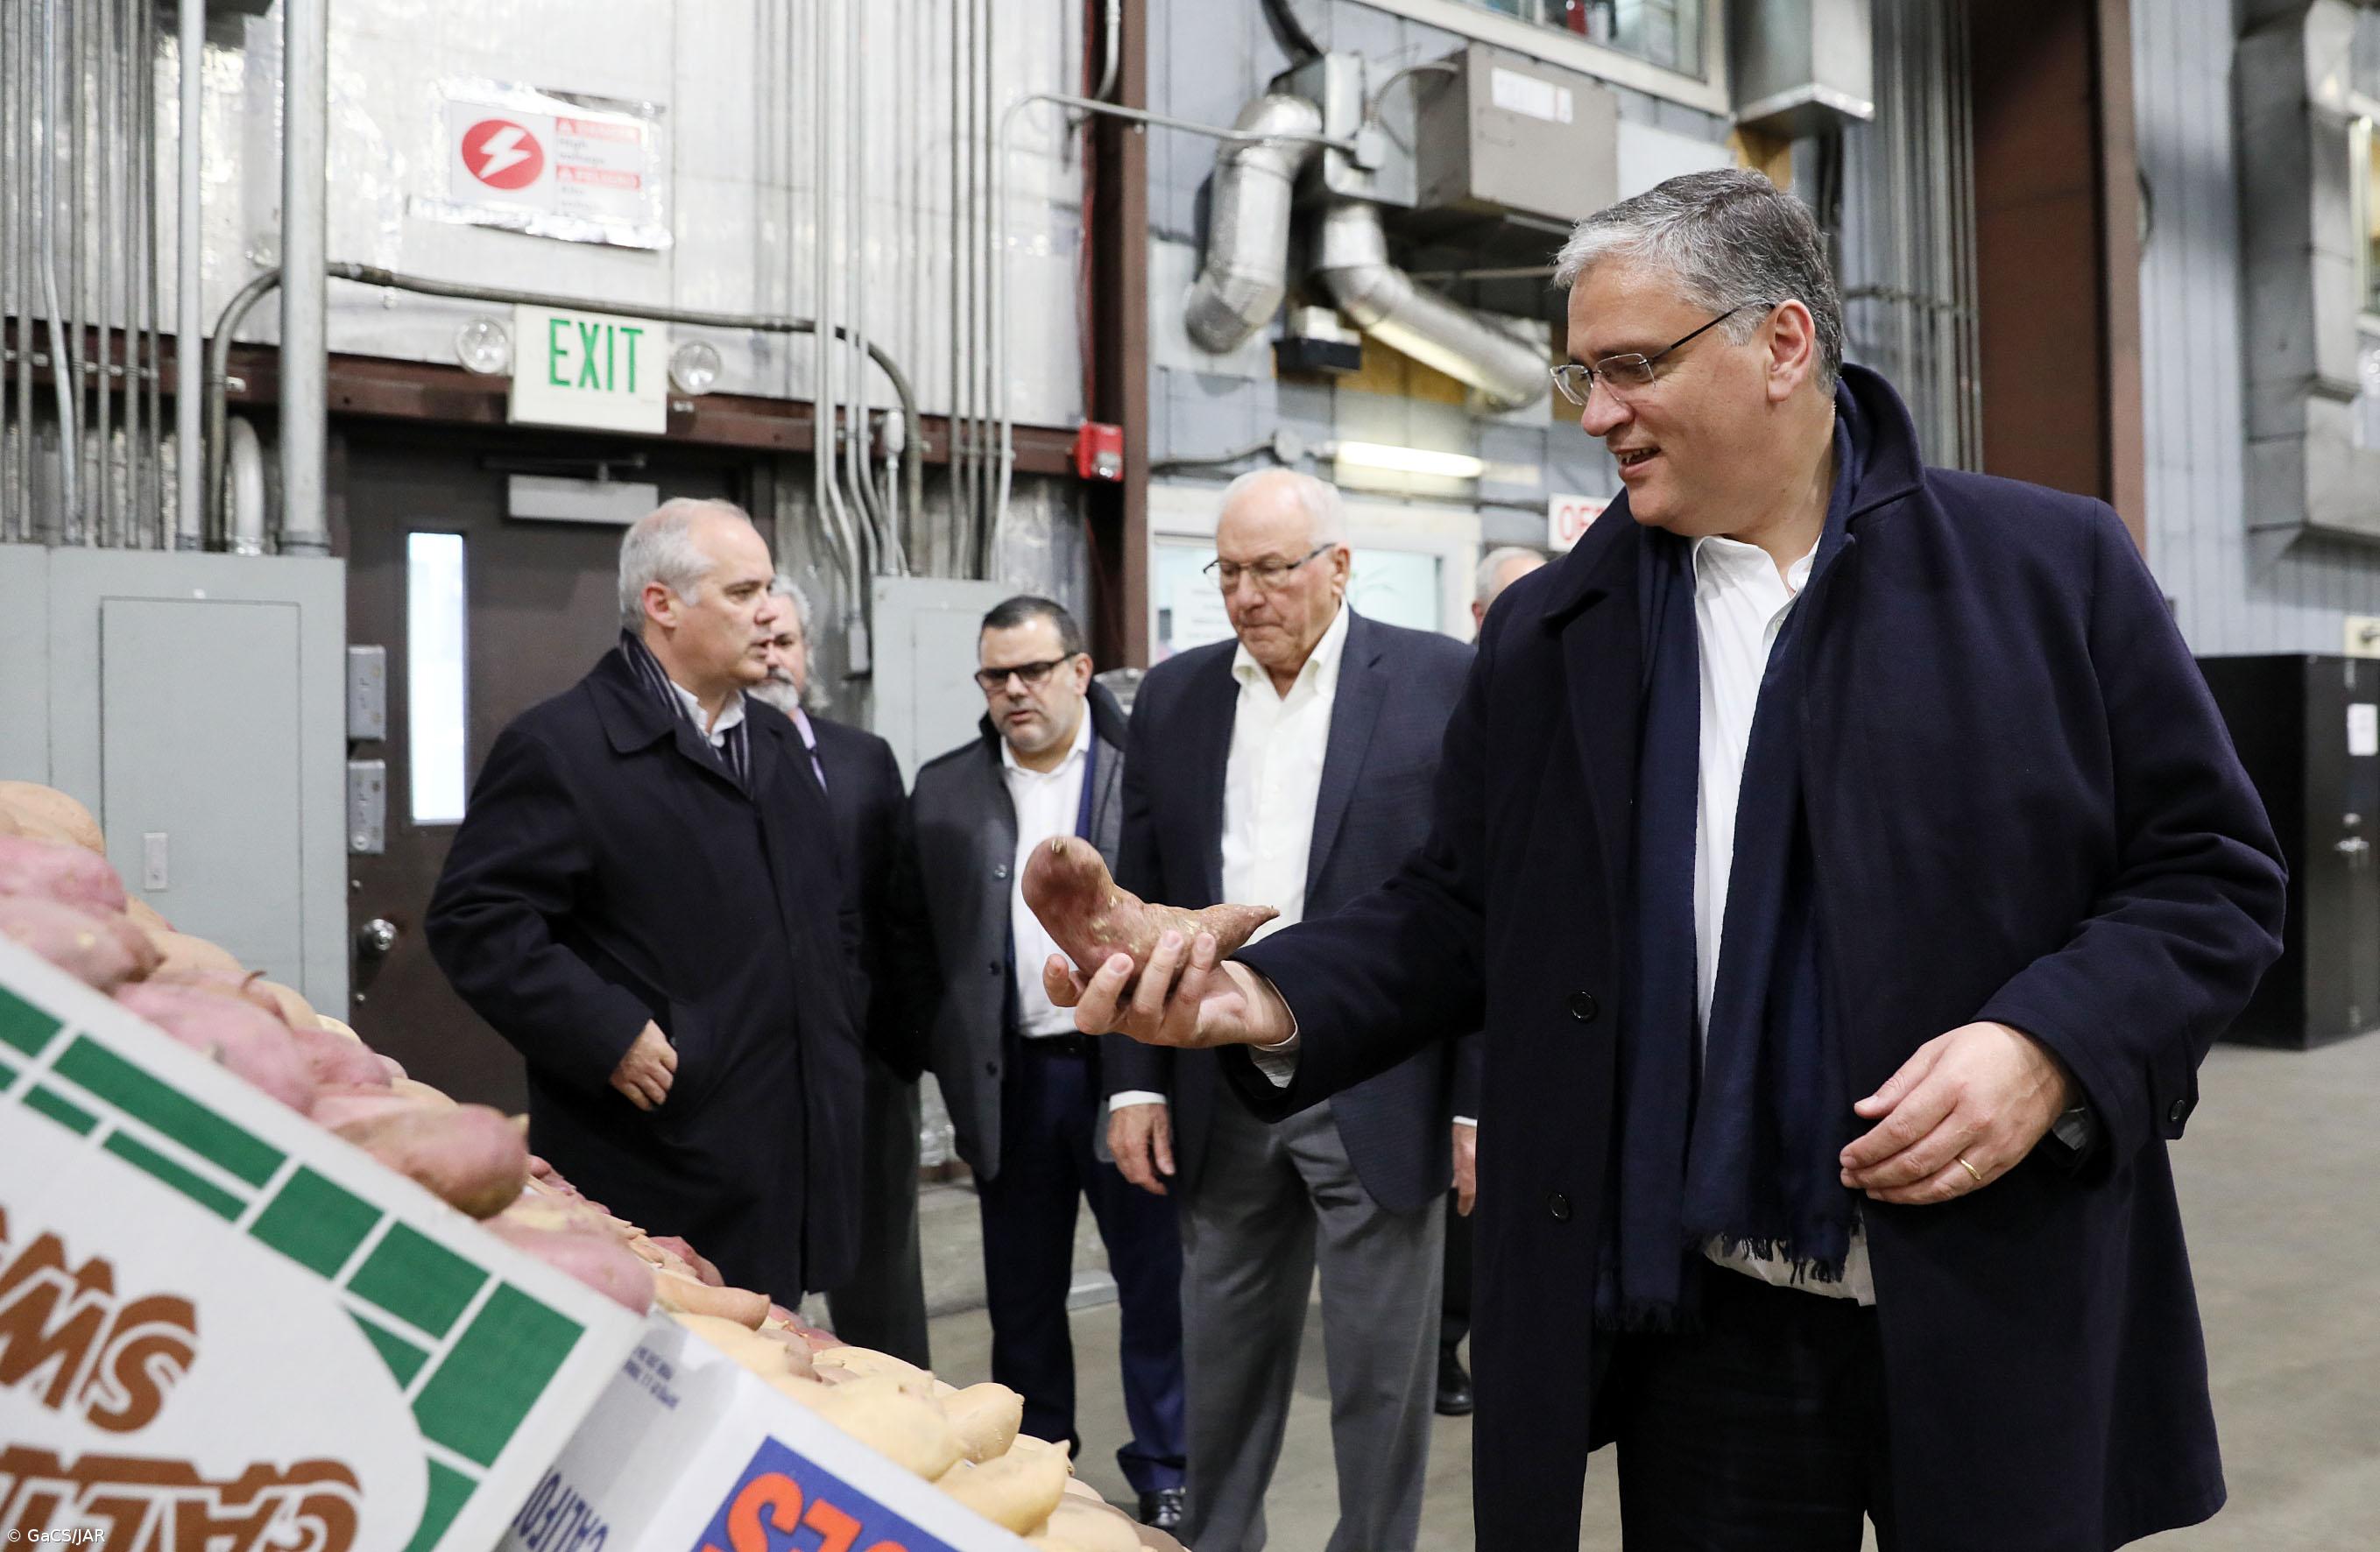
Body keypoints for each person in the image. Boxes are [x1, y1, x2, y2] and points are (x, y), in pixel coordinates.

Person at [1052, 169, 2286, 1551]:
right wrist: (1263, 997)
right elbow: (1460, 910)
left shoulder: (2043, 571)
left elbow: (2211, 876)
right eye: (1583, 372)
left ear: (1782, 345)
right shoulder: (1553, 639)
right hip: (1696, 1321)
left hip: (1990, 1294)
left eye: (1632, 368)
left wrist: (2045, 1046)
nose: (1595, 414)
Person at [1103, 468, 1480, 1552]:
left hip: (1379, 1077)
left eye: (1271, 569)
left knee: (1378, 1377)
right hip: (1220, 1084)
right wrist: (1133, 1074)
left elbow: (1480, 906)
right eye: (1226, 571)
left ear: (1338, 566)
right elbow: (1136, 882)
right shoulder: (1173, 699)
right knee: (1220, 1363)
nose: (1245, 594)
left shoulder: (1434, 682)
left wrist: (1473, 1104)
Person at [427, 498, 864, 1305]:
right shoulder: (564, 748)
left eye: (768, 589)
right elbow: (475, 920)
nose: (769, 614)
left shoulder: (773, 745)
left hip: (792, 1149)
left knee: (789, 1371)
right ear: (662, 605)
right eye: (742, 593)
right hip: (659, 1156)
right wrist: (606, 1030)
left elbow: (825, 921)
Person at [900, 596, 1188, 1530]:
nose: (1013, 690)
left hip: (1126, 1070)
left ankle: (1167, 1461)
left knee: (1152, 1279)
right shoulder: (943, 790)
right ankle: (1038, 1467)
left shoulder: (1142, 770)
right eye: (995, 675)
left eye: (1031, 669)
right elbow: (910, 941)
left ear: (1079, 669)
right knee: (1021, 1293)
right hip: (1010, 1081)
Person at [752, 575, 931, 1367]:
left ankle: (901, 1441)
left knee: (880, 1272)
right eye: (758, 645)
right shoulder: (689, 765)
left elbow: (899, 909)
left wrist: (898, 1047)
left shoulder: (862, 760)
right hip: (751, 1064)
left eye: (785, 642)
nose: (772, 659)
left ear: (809, 654)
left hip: (864, 1064)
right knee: (752, 1283)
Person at [1433, 543, 1550, 1420]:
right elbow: (1450, 909)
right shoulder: (1455, 715)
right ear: (1480, 619)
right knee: (1459, 1215)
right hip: (1457, 1031)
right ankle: (1442, 1345)